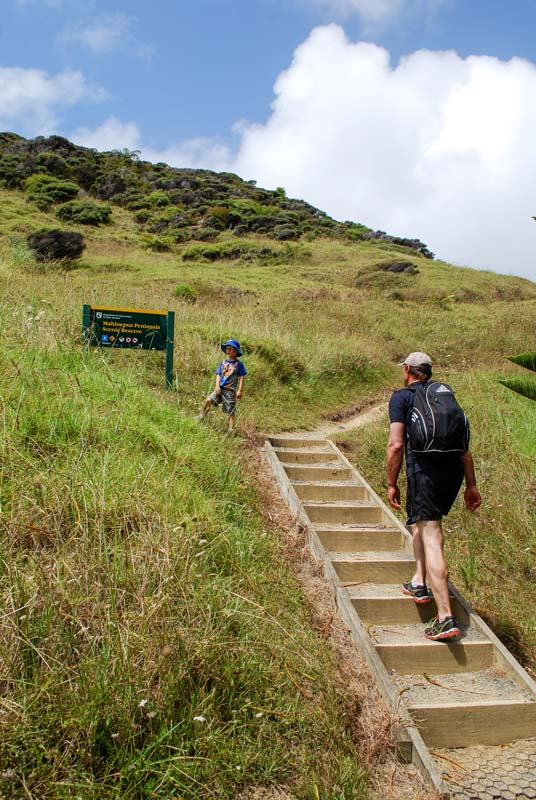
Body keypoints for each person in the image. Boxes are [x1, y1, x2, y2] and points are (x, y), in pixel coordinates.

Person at [386, 352, 481, 641]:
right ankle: (418, 581)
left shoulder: (402, 398)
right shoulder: (444, 396)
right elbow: (464, 447)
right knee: (420, 522)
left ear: (407, 370)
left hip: (424, 470)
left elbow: (396, 444)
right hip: (452, 471)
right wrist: (471, 486)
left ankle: (445, 616)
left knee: (432, 536)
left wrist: (391, 483)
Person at [198, 339, 247, 433]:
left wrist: (240, 390)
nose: (229, 350)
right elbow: (218, 375)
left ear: (236, 351)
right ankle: (202, 416)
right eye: (228, 348)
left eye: (232, 349)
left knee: (230, 409)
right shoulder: (223, 363)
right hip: (220, 389)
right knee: (208, 400)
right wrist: (217, 386)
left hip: (230, 390)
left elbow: (241, 377)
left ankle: (231, 429)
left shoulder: (239, 364)